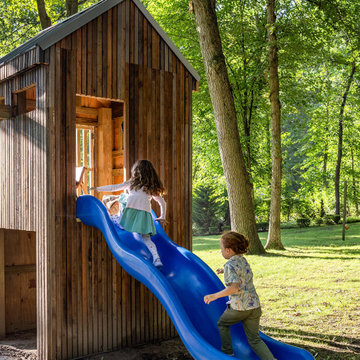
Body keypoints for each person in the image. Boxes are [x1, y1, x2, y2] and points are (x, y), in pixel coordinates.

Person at [204, 231, 276, 359]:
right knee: (254, 339)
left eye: (221, 249)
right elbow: (240, 273)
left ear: (228, 250)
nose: (220, 251)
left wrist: (214, 296)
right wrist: (223, 270)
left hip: (239, 307)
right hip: (254, 306)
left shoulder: (229, 265)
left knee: (223, 324)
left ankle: (227, 353)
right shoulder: (242, 260)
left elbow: (233, 288)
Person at [91, 160, 166, 268]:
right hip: (144, 216)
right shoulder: (150, 187)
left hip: (130, 215)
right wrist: (162, 216)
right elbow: (162, 202)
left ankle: (115, 216)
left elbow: (114, 187)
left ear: (136, 172)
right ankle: (157, 258)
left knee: (121, 223)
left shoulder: (132, 183)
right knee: (146, 239)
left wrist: (97, 189)